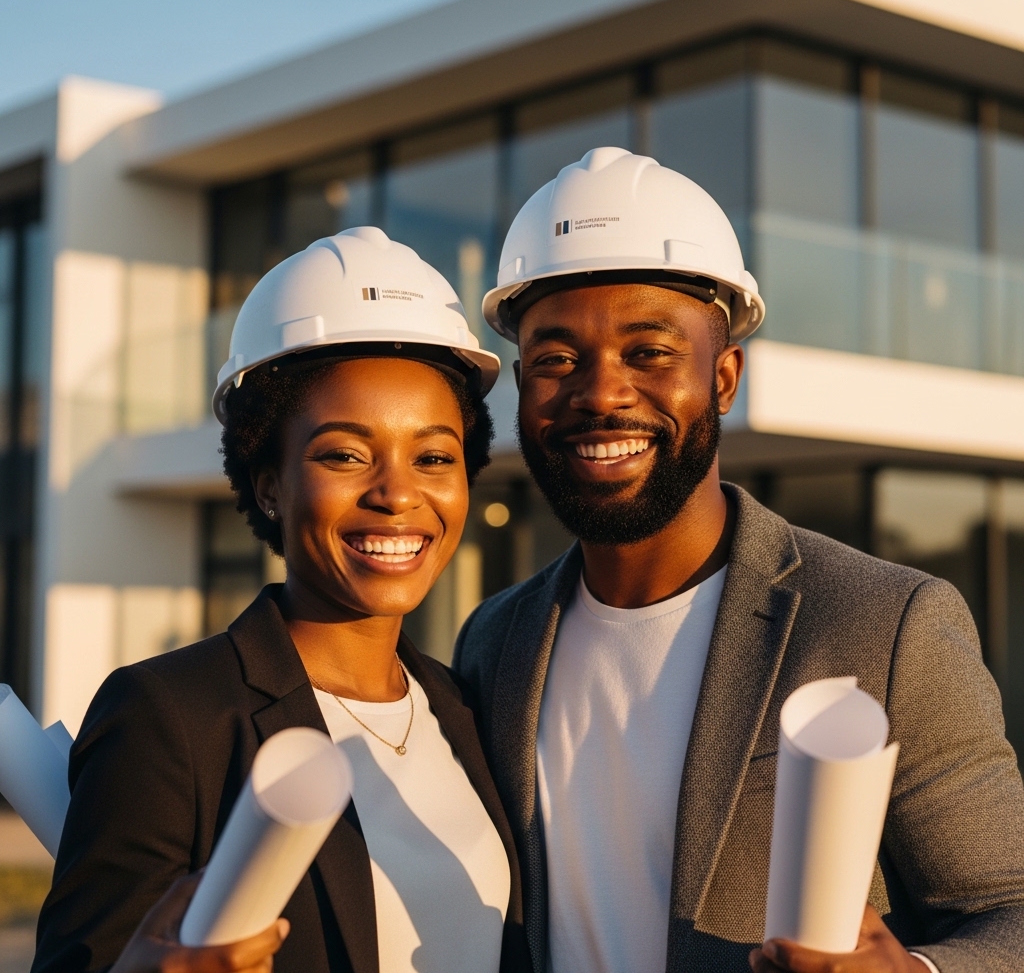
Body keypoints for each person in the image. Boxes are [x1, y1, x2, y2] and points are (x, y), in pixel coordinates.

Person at [454, 147, 1024, 973]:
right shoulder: (493, 642)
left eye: (648, 352)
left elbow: (1008, 910)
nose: (600, 393)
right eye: (556, 358)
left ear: (723, 378)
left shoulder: (886, 622)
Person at [33, 227, 531, 973]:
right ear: (269, 483)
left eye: (433, 457)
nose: (398, 494)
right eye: (344, 455)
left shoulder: (460, 704)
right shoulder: (170, 717)